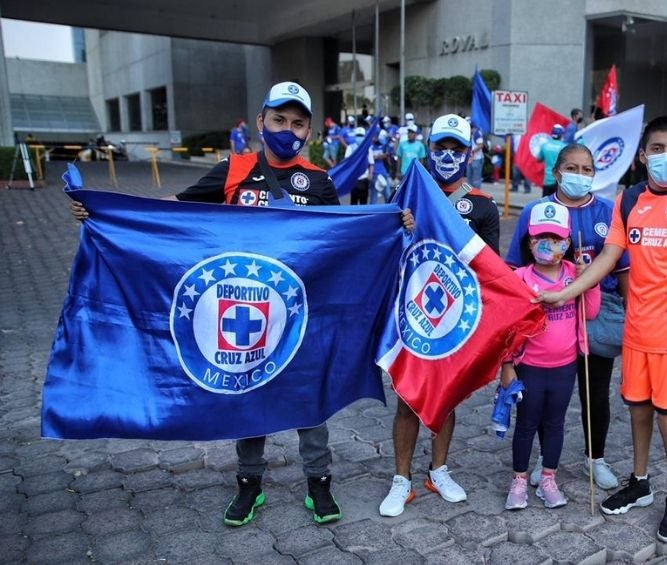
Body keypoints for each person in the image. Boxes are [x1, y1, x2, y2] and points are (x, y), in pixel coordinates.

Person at [69, 81, 416, 527]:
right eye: (278, 120)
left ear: (308, 131)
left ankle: (319, 483)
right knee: (248, 397)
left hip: (299, 317)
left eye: (296, 123)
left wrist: (394, 221)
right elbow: (174, 209)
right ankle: (248, 485)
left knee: (309, 398)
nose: (286, 130)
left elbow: (345, 236)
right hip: (243, 315)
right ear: (261, 122)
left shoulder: (319, 181)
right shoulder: (232, 169)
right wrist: (107, 212)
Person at [536, 116, 667, 544]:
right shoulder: (629, 199)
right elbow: (608, 258)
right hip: (636, 331)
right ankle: (640, 481)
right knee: (638, 411)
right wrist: (565, 292)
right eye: (656, 148)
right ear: (642, 156)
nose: (665, 156)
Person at [379, 113, 500, 518]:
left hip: (455, 319)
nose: (448, 156)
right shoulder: (408, 192)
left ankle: (439, 471)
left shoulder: (482, 205)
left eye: (456, 149)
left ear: (470, 152)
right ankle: (401, 480)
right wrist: (402, 228)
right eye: (441, 147)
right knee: (407, 399)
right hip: (413, 314)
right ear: (428, 149)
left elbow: (492, 269)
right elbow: (384, 250)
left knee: (446, 397)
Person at [505, 143, 629, 491]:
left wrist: (630, 313)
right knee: (545, 393)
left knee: (596, 391)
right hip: (546, 313)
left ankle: (596, 457)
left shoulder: (607, 211)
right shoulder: (535, 210)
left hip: (597, 310)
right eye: (572, 168)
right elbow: (515, 266)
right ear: (557, 172)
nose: (580, 175)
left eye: (587, 169)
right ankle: (547, 461)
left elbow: (623, 269)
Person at [503, 202, 600, 510]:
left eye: (556, 238)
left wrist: (589, 281)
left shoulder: (575, 274)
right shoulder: (519, 278)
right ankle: (519, 481)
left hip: (565, 366)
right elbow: (505, 327)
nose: (548, 244)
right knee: (527, 423)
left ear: (568, 241)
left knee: (556, 423)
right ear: (529, 242)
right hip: (529, 366)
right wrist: (506, 365)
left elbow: (592, 311)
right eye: (540, 237)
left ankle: (548, 479)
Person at [344, 126, 373, 205]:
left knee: (364, 203)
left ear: (364, 137)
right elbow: (347, 163)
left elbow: (371, 163)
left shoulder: (367, 148)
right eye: (358, 136)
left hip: (364, 179)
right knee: (353, 202)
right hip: (353, 179)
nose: (359, 137)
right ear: (355, 136)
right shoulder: (350, 148)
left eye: (361, 136)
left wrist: (370, 174)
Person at [535, 125, 568, 197]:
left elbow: (538, 159)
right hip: (558, 181)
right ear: (561, 135)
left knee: (545, 203)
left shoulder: (544, 145)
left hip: (547, 180)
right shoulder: (564, 147)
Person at [370, 130, 392, 203]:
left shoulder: (383, 145)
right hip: (374, 173)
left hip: (383, 172)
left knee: (388, 195)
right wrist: (376, 157)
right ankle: (371, 213)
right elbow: (369, 158)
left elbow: (387, 154)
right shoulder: (370, 146)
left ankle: (389, 211)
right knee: (374, 197)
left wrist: (379, 156)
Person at [467, 119, 486, 188]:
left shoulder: (477, 133)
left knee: (476, 178)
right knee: (469, 177)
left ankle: (476, 193)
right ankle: (470, 193)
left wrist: (472, 151)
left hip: (477, 159)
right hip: (471, 159)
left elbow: (481, 145)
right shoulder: (472, 134)